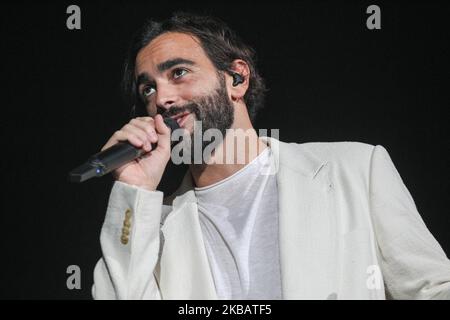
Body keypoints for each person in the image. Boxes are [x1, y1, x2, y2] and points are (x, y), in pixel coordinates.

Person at [91, 12, 450, 300]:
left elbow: (434, 290)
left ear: (237, 78)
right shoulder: (151, 227)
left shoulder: (355, 170)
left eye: (179, 72)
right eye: (148, 88)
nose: (162, 98)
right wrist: (134, 189)